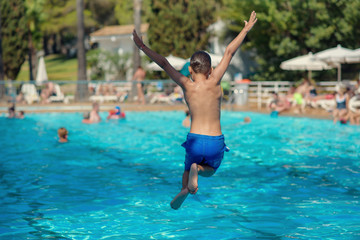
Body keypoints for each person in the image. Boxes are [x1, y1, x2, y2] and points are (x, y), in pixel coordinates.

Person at [133, 11, 257, 209]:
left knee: (186, 168)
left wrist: (141, 46)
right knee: (211, 169)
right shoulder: (215, 80)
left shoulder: (186, 84)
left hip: (195, 141)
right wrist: (245, 29)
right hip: (215, 140)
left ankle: (185, 187)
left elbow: (164, 63)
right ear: (210, 70)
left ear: (190, 70)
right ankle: (198, 169)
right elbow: (229, 52)